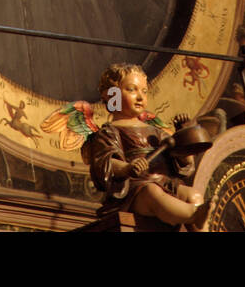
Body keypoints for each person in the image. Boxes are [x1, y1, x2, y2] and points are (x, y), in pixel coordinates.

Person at [82, 63, 209, 229]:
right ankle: (193, 215)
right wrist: (127, 167)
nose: (140, 97)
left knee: (194, 195)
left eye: (144, 91)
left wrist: (184, 136)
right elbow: (105, 163)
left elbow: (185, 164)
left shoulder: (155, 132)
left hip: (164, 183)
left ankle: (197, 216)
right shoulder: (110, 131)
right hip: (134, 191)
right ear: (111, 95)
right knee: (152, 193)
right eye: (132, 90)